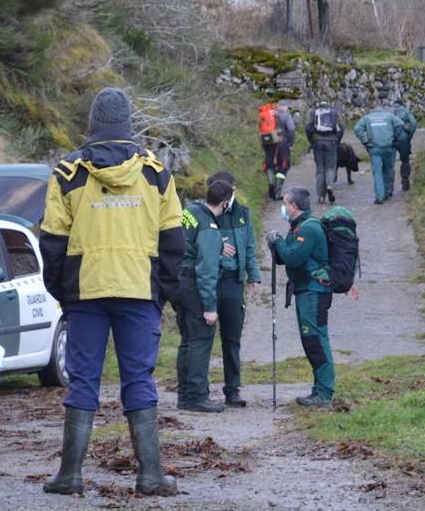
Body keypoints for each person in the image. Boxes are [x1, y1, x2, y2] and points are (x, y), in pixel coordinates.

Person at [39, 87, 184, 497]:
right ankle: (151, 475)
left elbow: (51, 242)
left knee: (82, 381)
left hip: (85, 293)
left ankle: (70, 475)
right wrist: (160, 294)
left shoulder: (67, 173)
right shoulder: (156, 172)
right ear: (128, 124)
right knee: (139, 380)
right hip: (139, 290)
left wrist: (64, 294)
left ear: (92, 123)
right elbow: (174, 241)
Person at [265, 187, 333, 407]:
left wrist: (278, 243)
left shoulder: (310, 228)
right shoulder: (297, 227)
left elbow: (293, 257)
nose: (283, 208)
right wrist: (276, 245)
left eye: (285, 203)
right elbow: (285, 257)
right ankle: (319, 389)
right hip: (305, 290)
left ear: (293, 206)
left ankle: (323, 392)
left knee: (315, 339)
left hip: (315, 291)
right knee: (310, 339)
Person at [173, 180, 233, 413]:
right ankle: (197, 396)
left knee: (187, 340)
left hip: (178, 281)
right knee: (200, 340)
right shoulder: (209, 226)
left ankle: (184, 394)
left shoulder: (191, 211)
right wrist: (210, 306)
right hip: (194, 286)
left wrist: (215, 245)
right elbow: (206, 269)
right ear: (225, 203)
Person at [208, 171, 261, 407]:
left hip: (233, 282)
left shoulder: (242, 214)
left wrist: (255, 276)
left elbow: (249, 246)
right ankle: (197, 389)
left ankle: (232, 389)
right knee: (201, 338)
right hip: (207, 280)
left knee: (232, 338)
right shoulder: (201, 213)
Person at [354, 106, 401, 204]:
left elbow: (357, 129)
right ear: (383, 110)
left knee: (377, 172)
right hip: (388, 147)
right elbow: (400, 124)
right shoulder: (389, 116)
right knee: (388, 169)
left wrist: (365, 141)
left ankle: (379, 197)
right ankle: (387, 193)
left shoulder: (367, 118)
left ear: (373, 110)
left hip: (374, 148)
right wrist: (396, 138)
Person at [304, 99, 344, 205]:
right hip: (331, 143)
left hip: (318, 142)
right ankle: (330, 186)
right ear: (328, 105)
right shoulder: (335, 113)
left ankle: (321, 197)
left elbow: (308, 128)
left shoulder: (313, 113)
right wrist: (337, 141)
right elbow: (341, 129)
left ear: (319, 105)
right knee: (330, 167)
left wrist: (312, 141)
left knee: (320, 169)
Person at [258, 102, 289, 201]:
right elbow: (292, 129)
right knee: (283, 166)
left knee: (269, 164)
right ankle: (277, 193)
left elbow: (261, 130)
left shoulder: (265, 115)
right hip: (281, 143)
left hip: (268, 143)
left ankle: (271, 186)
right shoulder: (284, 115)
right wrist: (290, 142)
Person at [390, 99, 418, 193]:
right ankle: (405, 183)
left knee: (390, 164)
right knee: (405, 161)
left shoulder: (389, 111)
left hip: (391, 140)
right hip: (403, 140)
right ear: (402, 105)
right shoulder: (406, 112)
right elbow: (413, 124)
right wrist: (409, 136)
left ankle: (389, 187)